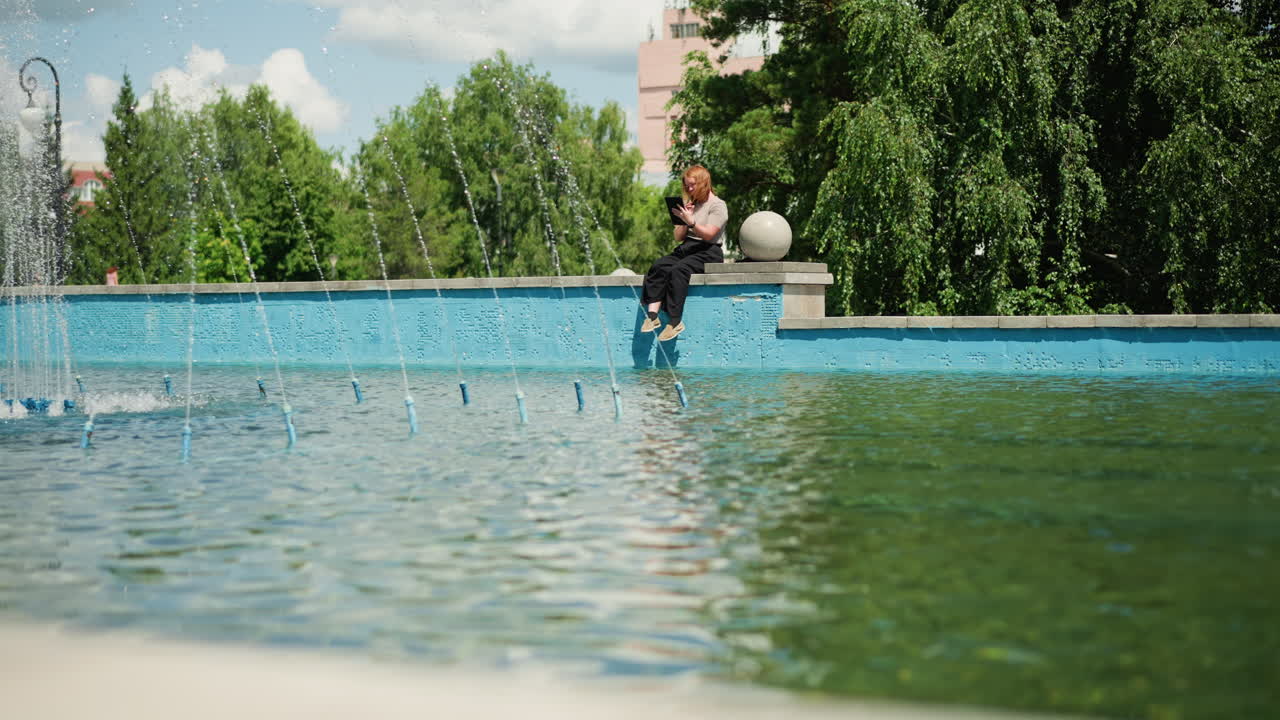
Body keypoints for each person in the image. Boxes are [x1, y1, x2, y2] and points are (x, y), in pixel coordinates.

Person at [641, 165, 727, 341]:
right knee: (659, 265)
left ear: (704, 183)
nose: (689, 189)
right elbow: (679, 237)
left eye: (692, 185)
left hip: (708, 251)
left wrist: (693, 222)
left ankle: (675, 322)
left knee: (679, 270)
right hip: (687, 247)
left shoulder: (718, 206)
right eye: (687, 185)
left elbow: (710, 234)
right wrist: (683, 220)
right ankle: (652, 317)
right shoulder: (690, 205)